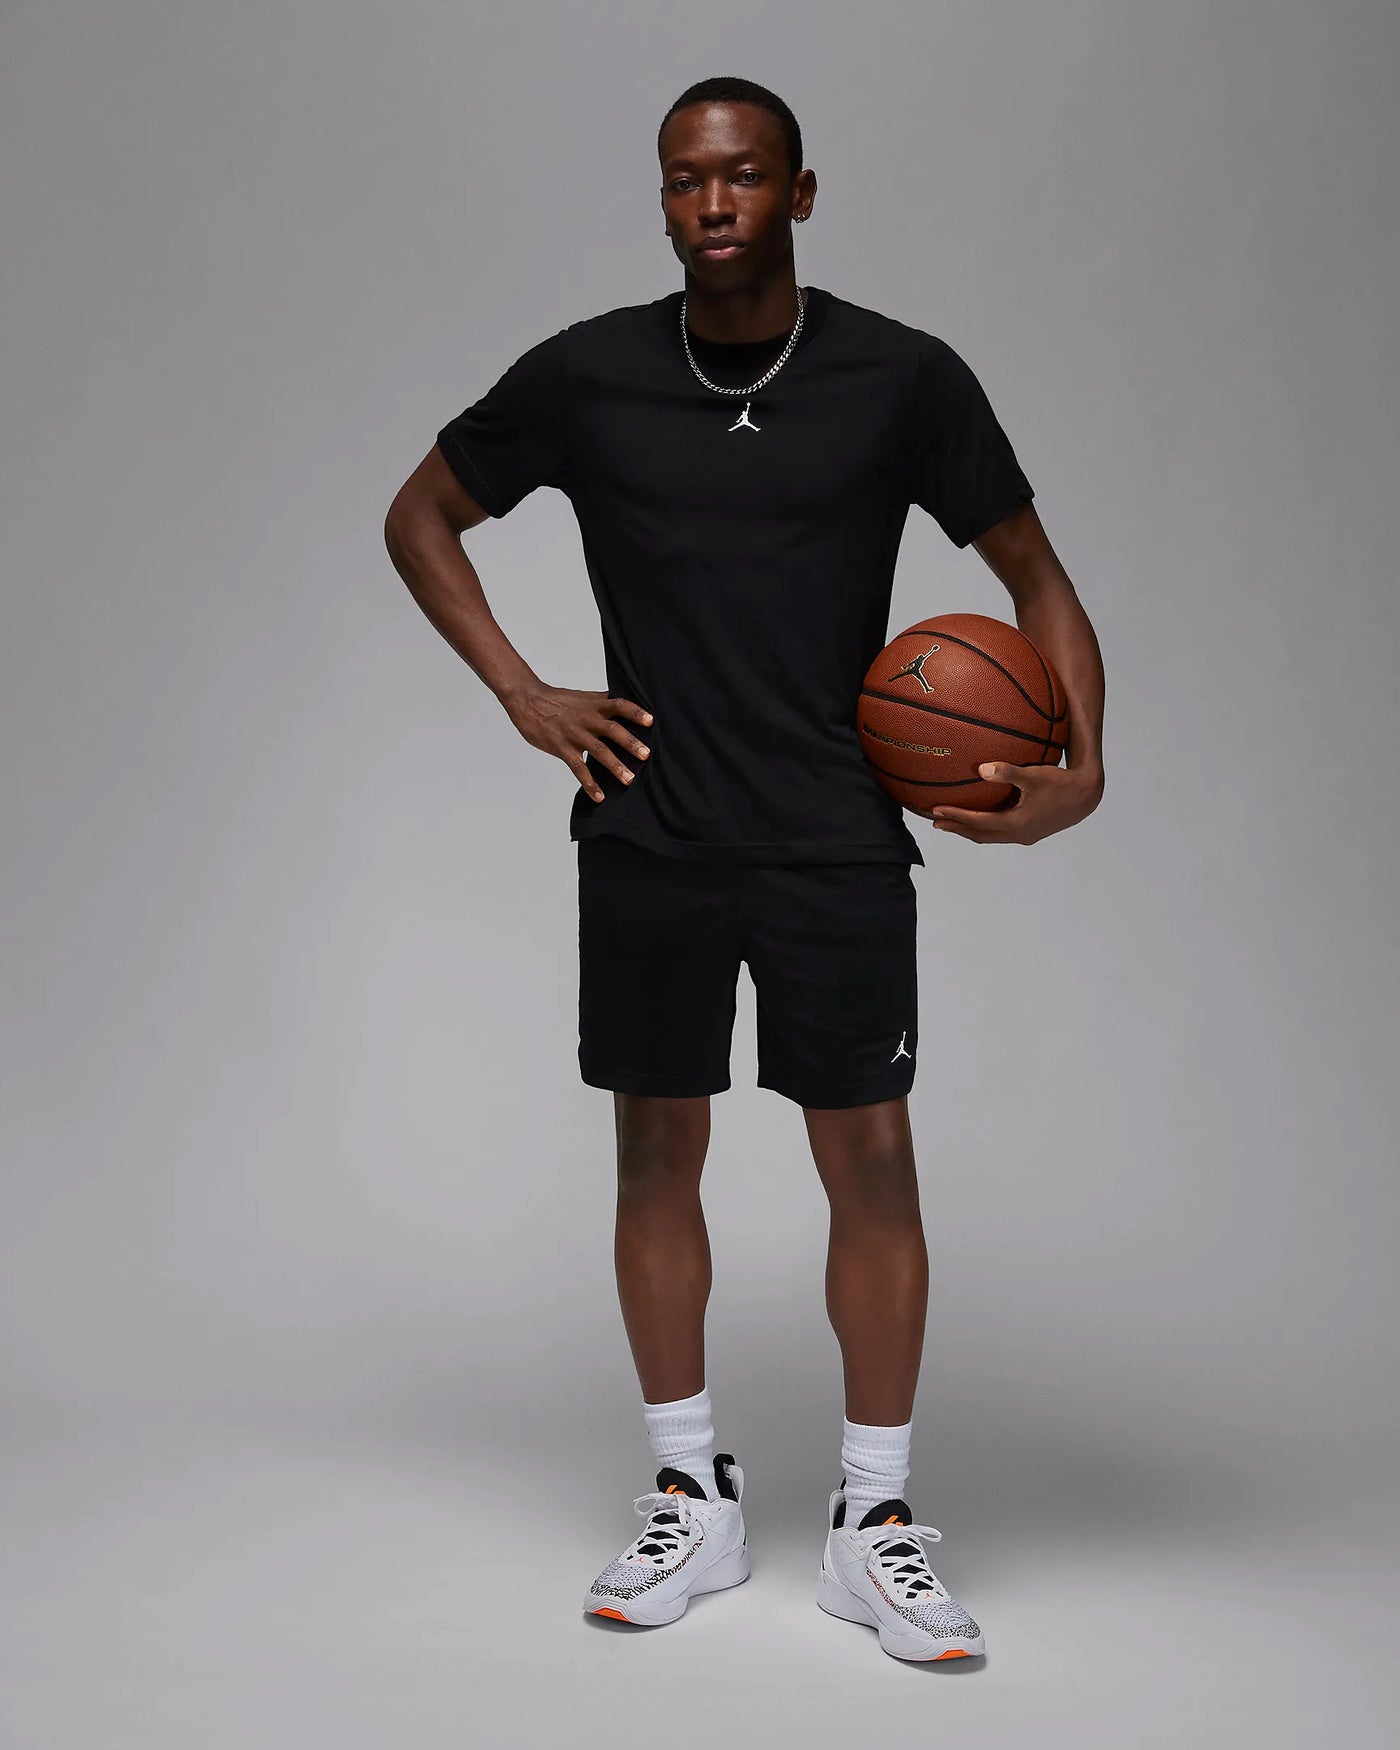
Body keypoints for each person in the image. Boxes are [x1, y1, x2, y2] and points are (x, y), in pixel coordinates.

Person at [384, 75, 1106, 1663]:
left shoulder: (903, 377)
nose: (713, 204)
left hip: (837, 831)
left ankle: (873, 1519)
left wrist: (1087, 766)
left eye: (745, 176)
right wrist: (525, 692)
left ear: (801, 192)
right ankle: (689, 1491)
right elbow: (421, 513)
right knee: (655, 1156)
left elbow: (1038, 580)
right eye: (685, 179)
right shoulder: (585, 376)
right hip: (650, 824)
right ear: (664, 198)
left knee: (876, 1165)